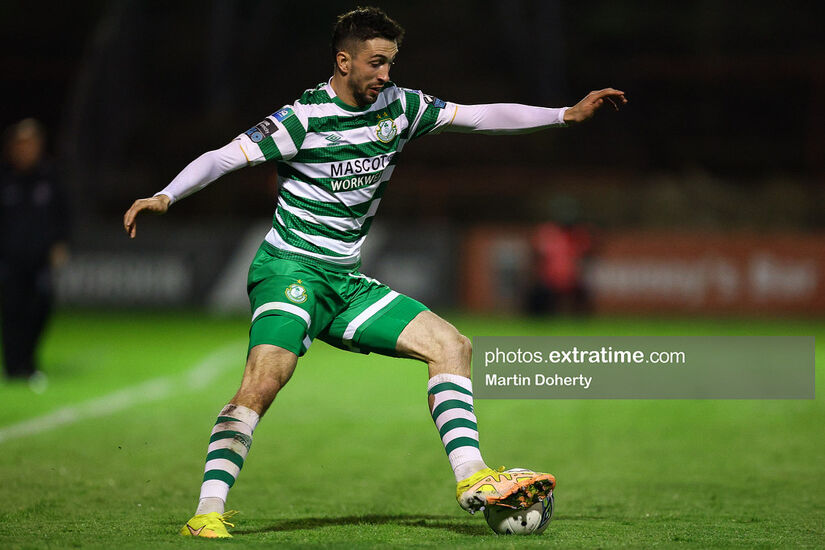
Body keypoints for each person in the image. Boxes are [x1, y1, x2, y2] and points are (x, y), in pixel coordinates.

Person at [124, 7, 626, 538]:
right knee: (266, 378)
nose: (386, 74)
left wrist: (563, 114)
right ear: (344, 61)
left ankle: (471, 478)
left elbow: (477, 116)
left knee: (451, 345)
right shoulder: (304, 118)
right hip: (289, 269)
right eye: (376, 62)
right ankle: (207, 511)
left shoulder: (400, 107)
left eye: (390, 63)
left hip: (345, 282)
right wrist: (166, 195)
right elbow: (223, 158)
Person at [1, 118, 70, 389]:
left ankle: (28, 362)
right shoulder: (4, 179)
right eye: (20, 144)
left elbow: (64, 214)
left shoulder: (50, 178)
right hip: (8, 260)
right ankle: (12, 367)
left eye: (30, 144)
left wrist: (61, 243)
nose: (25, 150)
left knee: (39, 308)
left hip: (40, 259)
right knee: (11, 312)